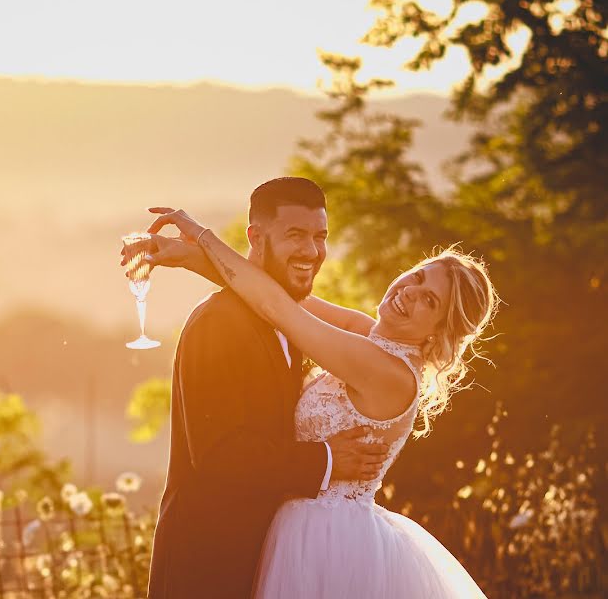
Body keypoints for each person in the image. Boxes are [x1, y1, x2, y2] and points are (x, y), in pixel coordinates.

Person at [143, 199, 498, 598]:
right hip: (293, 524)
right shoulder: (375, 337)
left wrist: (203, 235)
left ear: (438, 332)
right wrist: (190, 258)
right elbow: (284, 296)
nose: (410, 292)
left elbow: (278, 308)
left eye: (429, 301)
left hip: (328, 541)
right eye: (418, 278)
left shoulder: (389, 374)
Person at [139, 178, 390, 598]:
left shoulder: (287, 320)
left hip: (268, 561)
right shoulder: (218, 323)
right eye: (295, 235)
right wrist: (327, 460)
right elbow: (222, 456)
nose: (311, 251)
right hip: (209, 567)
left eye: (320, 236)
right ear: (255, 236)